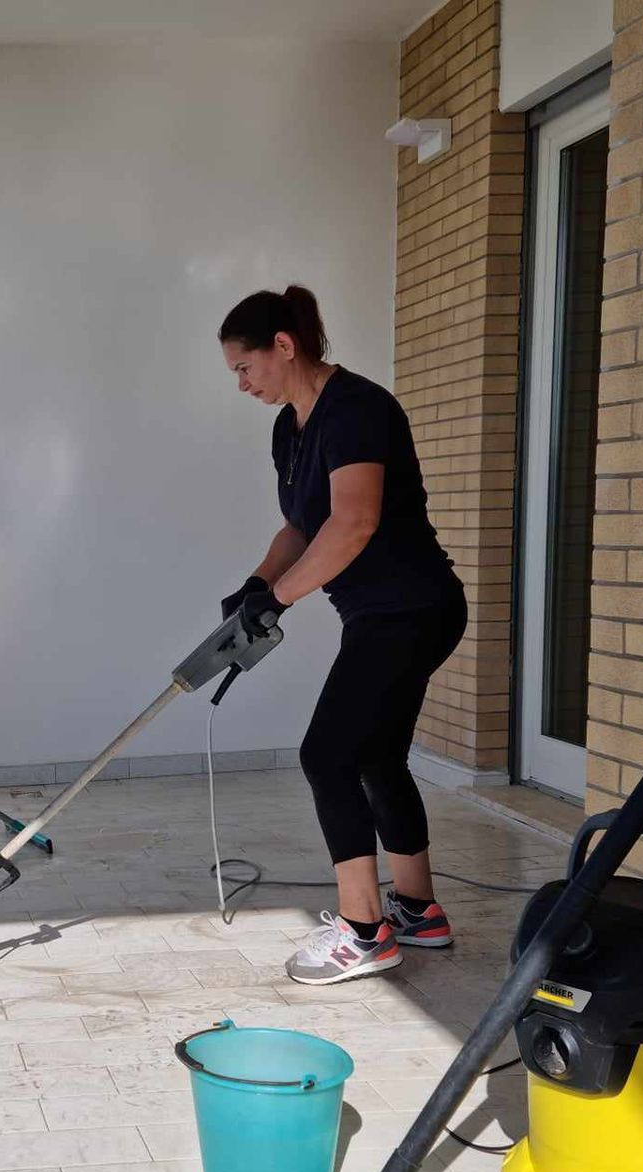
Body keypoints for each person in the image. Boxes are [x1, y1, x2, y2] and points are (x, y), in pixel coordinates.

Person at [219, 287, 468, 984]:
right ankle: (419, 912)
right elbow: (302, 525)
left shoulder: (358, 409)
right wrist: (257, 586)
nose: (242, 384)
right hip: (381, 614)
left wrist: (282, 599)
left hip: (412, 609)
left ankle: (364, 934)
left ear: (284, 346)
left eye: (245, 367)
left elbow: (352, 524)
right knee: (377, 756)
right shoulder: (290, 428)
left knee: (327, 754)